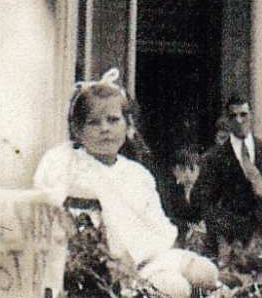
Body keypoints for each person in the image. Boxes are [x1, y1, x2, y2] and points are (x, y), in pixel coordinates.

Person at [34, 69, 219, 298]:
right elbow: (52, 213)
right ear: (78, 130)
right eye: (94, 122)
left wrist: (154, 254)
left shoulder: (137, 174)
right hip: (98, 264)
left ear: (127, 125)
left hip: (145, 257)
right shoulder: (65, 163)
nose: (105, 129)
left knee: (206, 272)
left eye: (113, 120)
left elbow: (157, 225)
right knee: (175, 289)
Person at [193, 94, 262, 255]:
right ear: (228, 120)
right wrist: (225, 232)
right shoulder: (214, 158)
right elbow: (201, 200)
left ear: (251, 116)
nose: (239, 120)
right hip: (231, 245)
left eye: (243, 114)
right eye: (233, 116)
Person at [162, 146, 202, 230]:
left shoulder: (205, 189)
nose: (187, 175)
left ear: (199, 170)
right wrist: (188, 226)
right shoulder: (169, 191)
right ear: (174, 170)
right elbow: (168, 217)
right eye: (182, 169)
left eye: (192, 169)